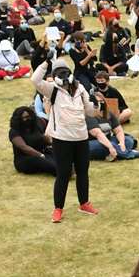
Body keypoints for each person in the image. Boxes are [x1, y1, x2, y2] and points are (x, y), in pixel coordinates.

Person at [32, 60, 98, 222]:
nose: (63, 75)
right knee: (63, 174)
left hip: (81, 137)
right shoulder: (52, 89)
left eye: (65, 71)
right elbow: (35, 80)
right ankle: (58, 209)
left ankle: (84, 203)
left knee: (83, 172)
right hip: (62, 139)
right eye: (59, 72)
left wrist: (96, 104)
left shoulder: (80, 89)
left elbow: (89, 111)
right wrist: (45, 63)